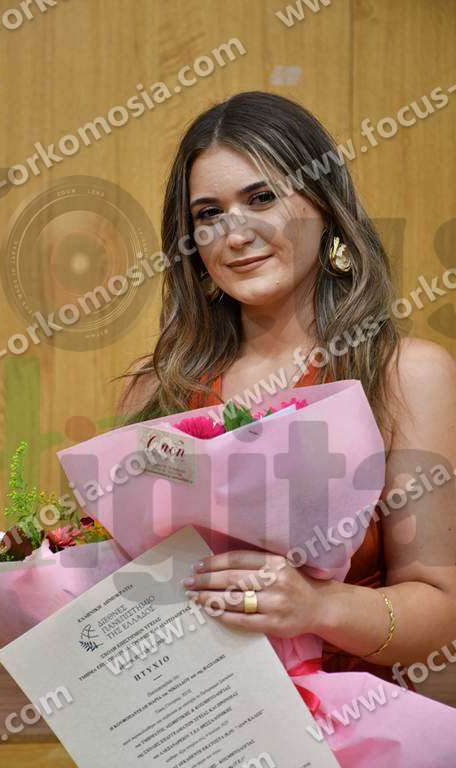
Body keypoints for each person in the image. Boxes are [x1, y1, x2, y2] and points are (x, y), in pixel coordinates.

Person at [115, 91, 456, 765]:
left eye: (262, 198)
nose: (234, 233)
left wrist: (315, 607)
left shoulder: (405, 375)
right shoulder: (156, 389)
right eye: (207, 215)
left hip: (361, 741)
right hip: (191, 737)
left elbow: (441, 614)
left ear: (326, 207)